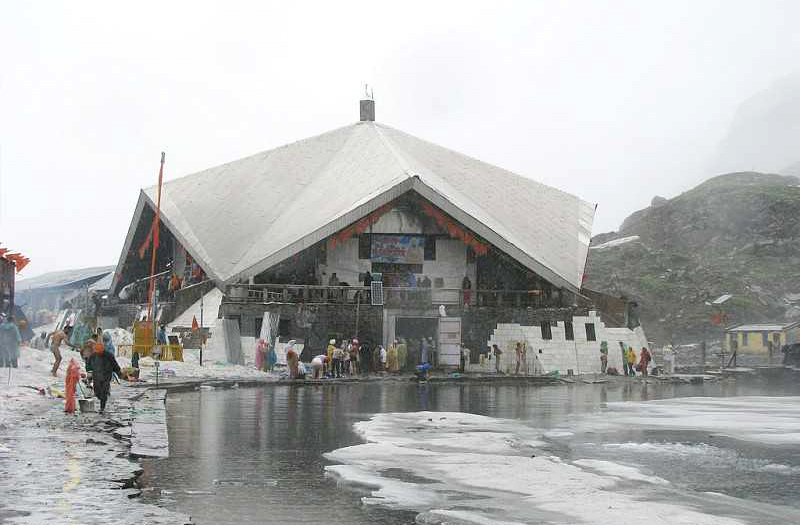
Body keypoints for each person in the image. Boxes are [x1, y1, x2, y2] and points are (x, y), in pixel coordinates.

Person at [86, 341, 121, 414]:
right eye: (97, 352)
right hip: (96, 376)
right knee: (97, 392)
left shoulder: (109, 355)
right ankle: (101, 398)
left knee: (104, 392)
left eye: (100, 352)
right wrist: (89, 372)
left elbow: (115, 365)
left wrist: (119, 373)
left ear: (103, 350)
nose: (99, 353)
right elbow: (88, 365)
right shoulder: (93, 356)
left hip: (106, 376)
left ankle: (102, 407)